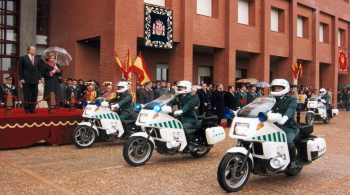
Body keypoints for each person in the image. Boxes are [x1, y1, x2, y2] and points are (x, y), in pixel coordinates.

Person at [270, 79, 298, 169]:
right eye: (275, 88)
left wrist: (285, 117)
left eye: (279, 88)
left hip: (287, 126)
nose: (276, 90)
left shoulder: (291, 99)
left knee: (289, 142)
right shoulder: (270, 99)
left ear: (285, 89)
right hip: (272, 125)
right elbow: (260, 106)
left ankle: (293, 161)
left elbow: (290, 109)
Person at [19, 46, 41, 114]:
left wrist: (39, 78)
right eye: (32, 49)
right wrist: (21, 78)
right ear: (28, 51)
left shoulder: (37, 59)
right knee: (27, 94)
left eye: (35, 49)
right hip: (26, 79)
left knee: (34, 94)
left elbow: (39, 70)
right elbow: (20, 69)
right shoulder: (23, 58)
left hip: (35, 79)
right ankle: (27, 109)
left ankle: (32, 108)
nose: (34, 51)